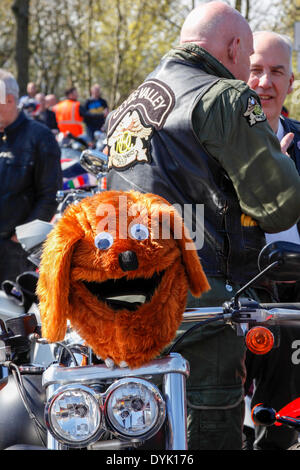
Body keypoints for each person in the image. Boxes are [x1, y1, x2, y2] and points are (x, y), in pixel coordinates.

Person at [105, 1, 300, 450]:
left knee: (145, 428)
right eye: (248, 59)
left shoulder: (127, 107)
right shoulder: (224, 96)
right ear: (235, 47)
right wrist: (282, 168)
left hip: (125, 299)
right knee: (207, 430)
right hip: (201, 305)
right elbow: (280, 206)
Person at [245, 30, 300, 450]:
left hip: (292, 301)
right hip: (236, 298)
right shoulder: (212, 147)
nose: (265, 81)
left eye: (276, 72)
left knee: (278, 423)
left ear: (290, 83)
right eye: (255, 70)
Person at [0, 70, 62, 285]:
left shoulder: (40, 137)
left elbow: (49, 195)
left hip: (14, 250)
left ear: (8, 100)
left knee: (12, 316)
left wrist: (22, 237)